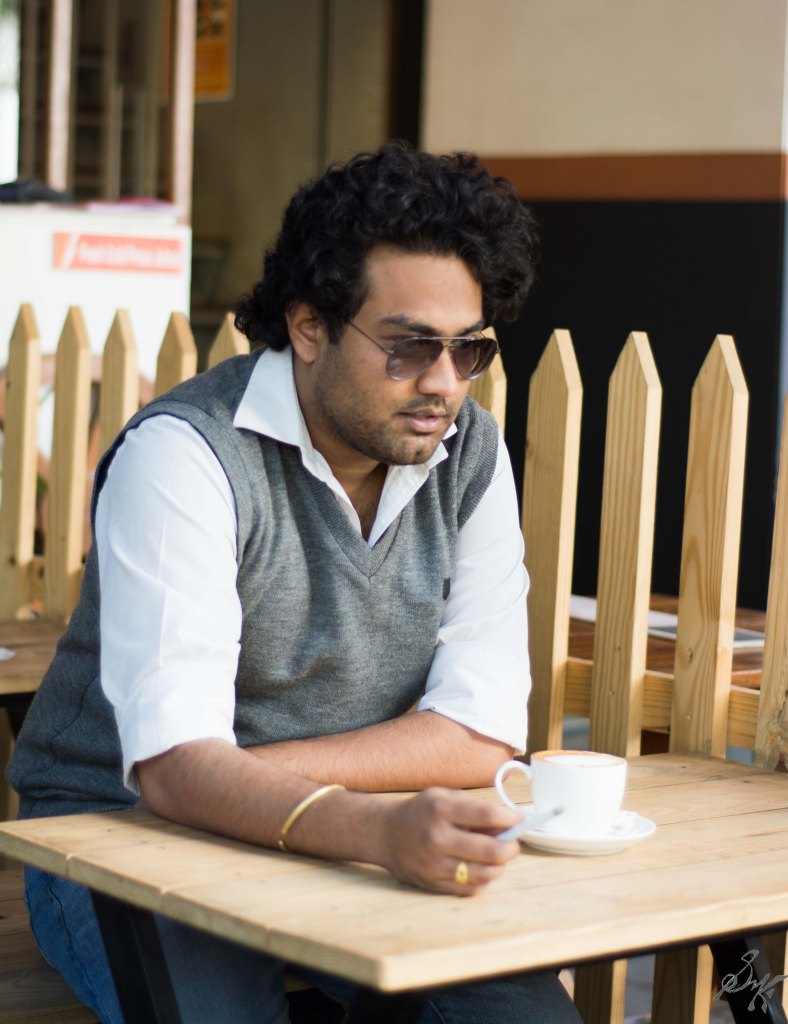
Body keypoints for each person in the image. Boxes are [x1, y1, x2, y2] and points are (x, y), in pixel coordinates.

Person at [7, 141, 581, 1024]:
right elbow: (164, 772)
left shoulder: (470, 456)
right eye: (407, 347)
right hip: (116, 841)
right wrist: (359, 818)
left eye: (469, 350)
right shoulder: (185, 455)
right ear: (308, 326)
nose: (442, 384)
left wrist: (224, 781)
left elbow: (480, 734)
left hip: (351, 837)